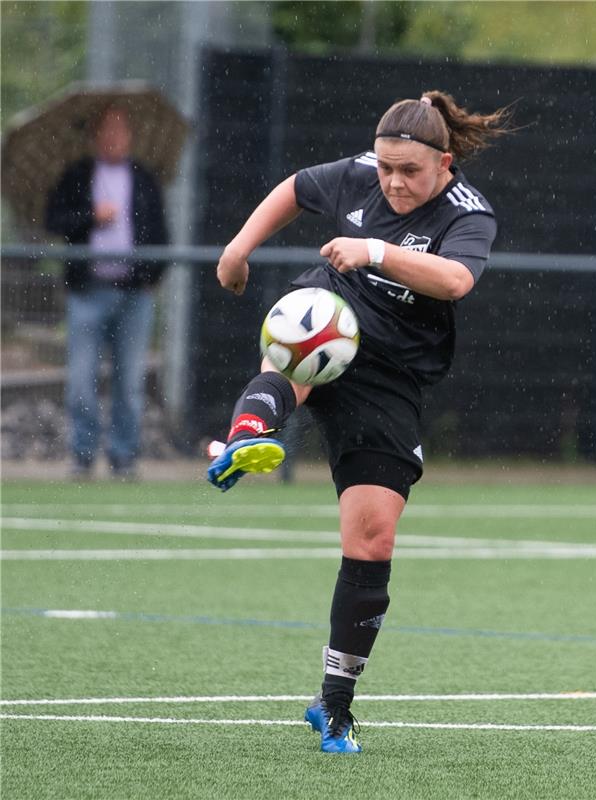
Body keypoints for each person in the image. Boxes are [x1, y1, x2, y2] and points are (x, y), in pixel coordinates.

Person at [208, 90, 511, 752]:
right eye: (384, 170)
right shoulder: (358, 172)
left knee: (373, 539)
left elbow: (456, 280)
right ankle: (244, 438)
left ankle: (334, 706)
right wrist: (237, 249)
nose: (394, 183)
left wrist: (374, 250)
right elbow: (293, 188)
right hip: (333, 316)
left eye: (409, 172)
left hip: (392, 374)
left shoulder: (470, 214)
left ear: (445, 163)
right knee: (303, 331)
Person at [46, 105, 168, 479]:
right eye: (108, 129)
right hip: (88, 291)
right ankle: (82, 455)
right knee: (82, 379)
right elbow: (54, 220)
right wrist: (90, 217)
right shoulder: (77, 175)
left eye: (121, 129)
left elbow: (162, 233)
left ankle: (123, 456)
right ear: (95, 135)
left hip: (134, 294)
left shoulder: (145, 178)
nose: (115, 137)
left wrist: (152, 275)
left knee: (130, 382)